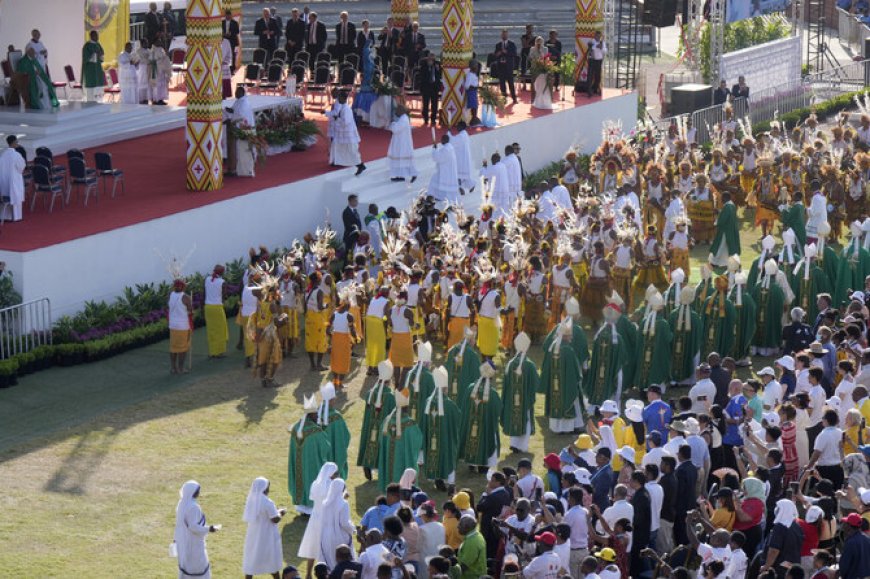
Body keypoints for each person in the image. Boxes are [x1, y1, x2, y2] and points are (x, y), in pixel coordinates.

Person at [288, 395, 332, 515]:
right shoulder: (315, 431)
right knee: (311, 479)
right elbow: (326, 447)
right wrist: (324, 431)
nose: (317, 416)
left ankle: (301, 506)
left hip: (298, 463)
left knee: (301, 479)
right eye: (316, 414)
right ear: (310, 415)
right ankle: (311, 508)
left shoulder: (296, 428)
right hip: (312, 464)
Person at [174, 481, 219, 579]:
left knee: (186, 565)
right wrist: (209, 529)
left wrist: (175, 538)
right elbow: (193, 527)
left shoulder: (182, 503)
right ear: (193, 492)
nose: (199, 492)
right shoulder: (193, 507)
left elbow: (178, 524)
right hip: (193, 543)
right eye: (198, 490)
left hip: (183, 541)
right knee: (196, 567)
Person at [242, 477, 285, 579]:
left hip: (253, 534)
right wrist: (281, 512)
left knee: (252, 557)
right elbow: (275, 519)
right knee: (271, 558)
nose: (268, 489)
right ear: (265, 488)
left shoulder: (251, 499)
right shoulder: (267, 502)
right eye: (268, 487)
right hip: (267, 535)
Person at [327, 91, 366, 175]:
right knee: (336, 146)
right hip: (342, 133)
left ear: (343, 98)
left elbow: (346, 122)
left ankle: (360, 165)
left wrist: (337, 119)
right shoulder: (343, 108)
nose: (337, 99)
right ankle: (336, 161)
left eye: (339, 97)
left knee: (351, 150)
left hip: (347, 134)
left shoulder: (346, 109)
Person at [319, 479, 356, 568]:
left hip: (325, 536)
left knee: (330, 562)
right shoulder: (343, 503)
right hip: (340, 536)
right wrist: (353, 529)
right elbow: (344, 523)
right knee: (343, 563)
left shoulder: (324, 504)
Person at [168, 279, 192, 374]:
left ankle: (173, 368)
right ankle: (181, 368)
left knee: (173, 347)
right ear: (183, 287)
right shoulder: (186, 297)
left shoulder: (170, 294)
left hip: (173, 325)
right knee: (183, 348)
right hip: (182, 325)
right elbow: (190, 311)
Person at [387, 105, 417, 182]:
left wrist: (392, 124)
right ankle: (402, 175)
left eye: (397, 110)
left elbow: (396, 129)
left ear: (401, 111)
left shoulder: (403, 119)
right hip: (401, 142)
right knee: (402, 159)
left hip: (402, 143)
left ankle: (410, 174)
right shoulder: (403, 118)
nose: (396, 112)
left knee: (402, 159)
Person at [0, 136, 26, 223]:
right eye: (17, 142)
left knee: (6, 195)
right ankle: (16, 217)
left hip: (4, 181)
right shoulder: (16, 155)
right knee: (16, 197)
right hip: (14, 180)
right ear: (14, 142)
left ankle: (6, 216)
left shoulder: (3, 154)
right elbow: (21, 167)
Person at [839, 512, 870, 579]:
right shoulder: (867, 539)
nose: (843, 525)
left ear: (849, 526)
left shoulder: (850, 542)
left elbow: (844, 566)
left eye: (845, 523)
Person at [429, 134, 459, 202]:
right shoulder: (450, 147)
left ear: (444, 140)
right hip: (448, 171)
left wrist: (434, 148)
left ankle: (436, 196)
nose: (441, 140)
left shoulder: (446, 149)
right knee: (437, 181)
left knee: (435, 180)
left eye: (442, 139)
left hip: (446, 172)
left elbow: (437, 158)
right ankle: (438, 196)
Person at [494, 29, 518, 104]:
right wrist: (499, 53)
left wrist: (506, 52)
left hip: (509, 67)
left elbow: (514, 54)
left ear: (507, 35)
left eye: (505, 34)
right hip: (501, 66)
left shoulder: (512, 44)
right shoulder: (498, 45)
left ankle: (514, 98)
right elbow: (495, 55)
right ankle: (504, 98)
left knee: (511, 83)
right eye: (503, 34)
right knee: (502, 83)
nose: (504, 35)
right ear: (501, 36)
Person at [81, 31, 105, 102]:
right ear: (91, 36)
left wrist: (100, 55)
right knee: (91, 88)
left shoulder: (98, 44)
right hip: (90, 70)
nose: (98, 37)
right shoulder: (87, 46)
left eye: (98, 35)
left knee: (98, 87)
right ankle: (90, 103)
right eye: (96, 35)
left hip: (97, 69)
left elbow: (102, 54)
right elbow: (86, 58)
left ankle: (99, 101)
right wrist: (95, 54)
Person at [419, 51, 441, 127]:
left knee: (434, 104)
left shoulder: (437, 64)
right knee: (425, 104)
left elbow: (440, 75)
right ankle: (426, 118)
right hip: (426, 87)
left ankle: (433, 119)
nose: (431, 59)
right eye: (430, 57)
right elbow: (421, 76)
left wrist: (438, 69)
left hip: (435, 87)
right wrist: (428, 67)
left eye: (433, 57)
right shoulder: (424, 65)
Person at [586, 31, 606, 97]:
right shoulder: (591, 41)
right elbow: (590, 49)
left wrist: (601, 48)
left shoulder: (602, 42)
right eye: (597, 36)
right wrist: (596, 46)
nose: (598, 37)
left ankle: (595, 89)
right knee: (590, 76)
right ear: (594, 36)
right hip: (592, 60)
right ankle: (589, 91)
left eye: (599, 36)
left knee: (598, 76)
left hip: (599, 61)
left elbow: (605, 51)